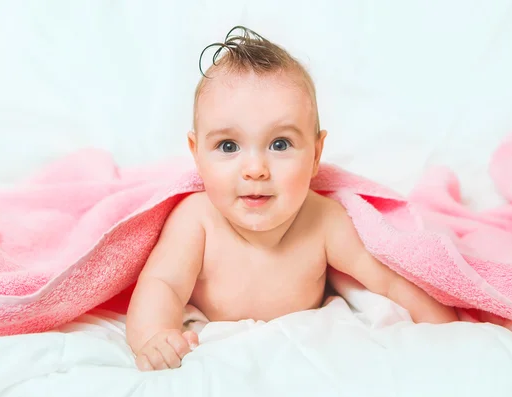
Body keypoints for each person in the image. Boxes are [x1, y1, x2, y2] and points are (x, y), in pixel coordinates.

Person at [126, 26, 458, 372]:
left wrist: (448, 328)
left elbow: (389, 279)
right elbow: (161, 285)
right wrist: (155, 336)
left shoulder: (325, 220)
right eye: (228, 146)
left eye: (280, 144)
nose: (255, 169)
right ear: (197, 154)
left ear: (316, 155)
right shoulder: (196, 219)